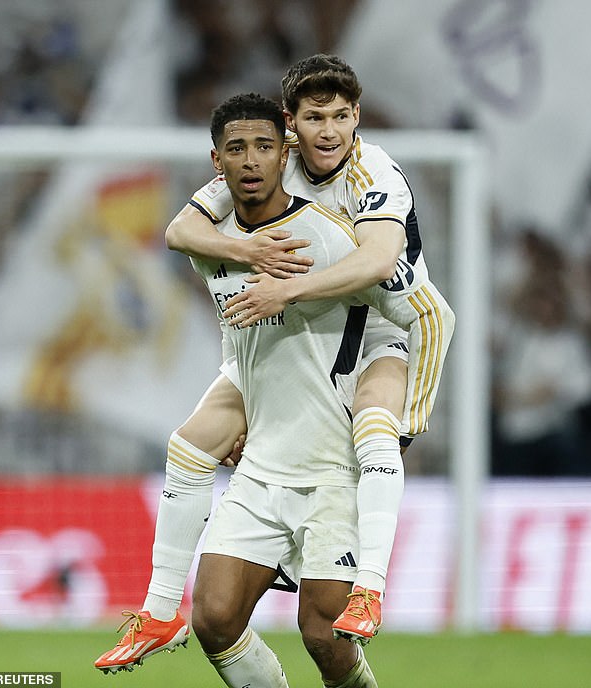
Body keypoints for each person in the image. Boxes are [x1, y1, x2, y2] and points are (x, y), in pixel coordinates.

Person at [167, 55, 454, 639]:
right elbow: (181, 231)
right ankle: (163, 604)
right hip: (317, 319)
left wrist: (287, 289)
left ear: (357, 119)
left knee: (372, 435)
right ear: (290, 123)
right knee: (198, 441)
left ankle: (368, 590)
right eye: (316, 117)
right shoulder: (272, 157)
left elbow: (376, 262)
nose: (331, 132)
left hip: (394, 322)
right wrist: (251, 256)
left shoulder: (375, 173)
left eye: (343, 117)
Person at [185, 92, 380, 687]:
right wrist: (243, 404)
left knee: (325, 636)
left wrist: (390, 420)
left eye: (264, 147)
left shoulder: (328, 236)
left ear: (284, 152)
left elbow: (401, 318)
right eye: (237, 149)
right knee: (215, 618)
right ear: (216, 162)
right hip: (261, 466)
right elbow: (239, 343)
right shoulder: (209, 248)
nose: (250, 161)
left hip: (332, 467)